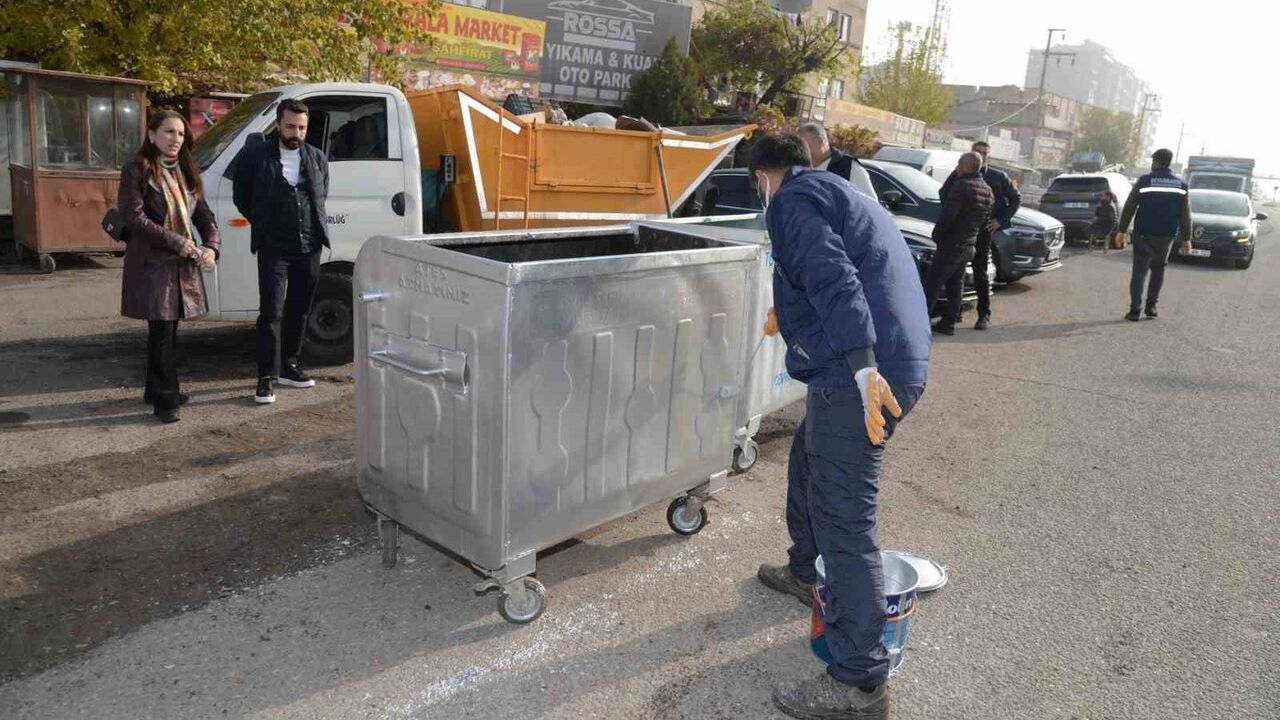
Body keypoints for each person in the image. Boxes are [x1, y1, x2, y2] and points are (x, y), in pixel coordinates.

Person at [750, 133, 931, 720]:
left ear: (763, 177)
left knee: (843, 519)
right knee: (808, 459)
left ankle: (860, 678)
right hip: (891, 359)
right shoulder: (836, 190)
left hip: (864, 376)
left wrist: (861, 367)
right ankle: (804, 570)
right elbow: (844, 270)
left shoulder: (788, 202)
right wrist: (789, 312)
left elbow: (834, 279)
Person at [119, 110, 220, 424]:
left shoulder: (186, 171)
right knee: (162, 331)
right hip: (152, 263)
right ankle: (166, 399)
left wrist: (211, 247)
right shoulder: (137, 169)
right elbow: (133, 218)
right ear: (151, 135)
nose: (175, 139)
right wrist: (177, 242)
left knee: (167, 330)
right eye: (168, 132)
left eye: (180, 134)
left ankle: (155, 389)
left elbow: (203, 215)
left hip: (180, 264)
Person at [232, 98, 330, 404]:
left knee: (300, 309)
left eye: (302, 127)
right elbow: (241, 195)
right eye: (290, 126)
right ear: (278, 124)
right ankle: (266, 377)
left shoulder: (316, 157)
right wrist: (263, 222)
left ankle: (290, 365)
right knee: (271, 312)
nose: (296, 133)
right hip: (274, 247)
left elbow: (321, 195)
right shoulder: (255, 155)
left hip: (309, 245)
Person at [920, 152, 993, 335]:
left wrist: (937, 235)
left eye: (959, 165)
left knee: (933, 284)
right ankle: (949, 322)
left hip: (951, 243)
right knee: (955, 284)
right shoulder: (987, 190)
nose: (956, 168)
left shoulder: (961, 186)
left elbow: (948, 215)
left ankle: (920, 324)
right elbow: (984, 219)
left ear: (965, 166)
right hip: (969, 243)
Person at [1117, 148, 1192, 321]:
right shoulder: (1181, 185)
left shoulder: (1145, 181)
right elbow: (1185, 215)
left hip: (1143, 234)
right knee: (1158, 270)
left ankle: (1135, 310)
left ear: (1156, 162)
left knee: (1139, 272)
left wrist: (1122, 230)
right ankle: (1151, 306)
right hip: (1166, 236)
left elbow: (1130, 206)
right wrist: (1186, 238)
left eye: (1153, 161)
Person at [964, 141, 1021, 329]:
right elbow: (945, 194)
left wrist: (1000, 221)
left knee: (980, 273)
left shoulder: (998, 177)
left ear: (989, 156)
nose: (981, 156)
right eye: (978, 152)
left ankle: (983, 315)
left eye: (985, 153)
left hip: (984, 231)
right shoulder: (961, 172)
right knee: (956, 271)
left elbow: (1015, 199)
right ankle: (953, 313)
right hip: (963, 231)